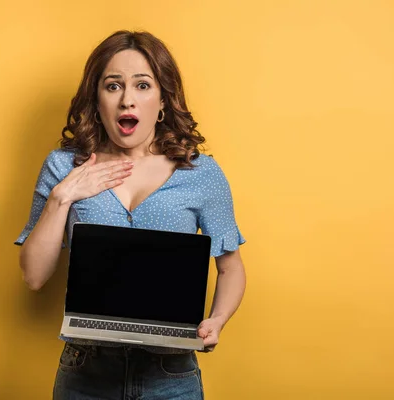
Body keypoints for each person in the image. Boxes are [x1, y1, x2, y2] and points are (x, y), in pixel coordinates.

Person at [15, 30, 247, 400]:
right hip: (85, 370)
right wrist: (62, 197)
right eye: (113, 86)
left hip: (170, 372)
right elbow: (34, 277)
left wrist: (216, 321)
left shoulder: (201, 173)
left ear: (163, 101)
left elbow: (231, 267)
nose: (127, 100)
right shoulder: (63, 167)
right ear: (96, 99)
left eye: (142, 85)